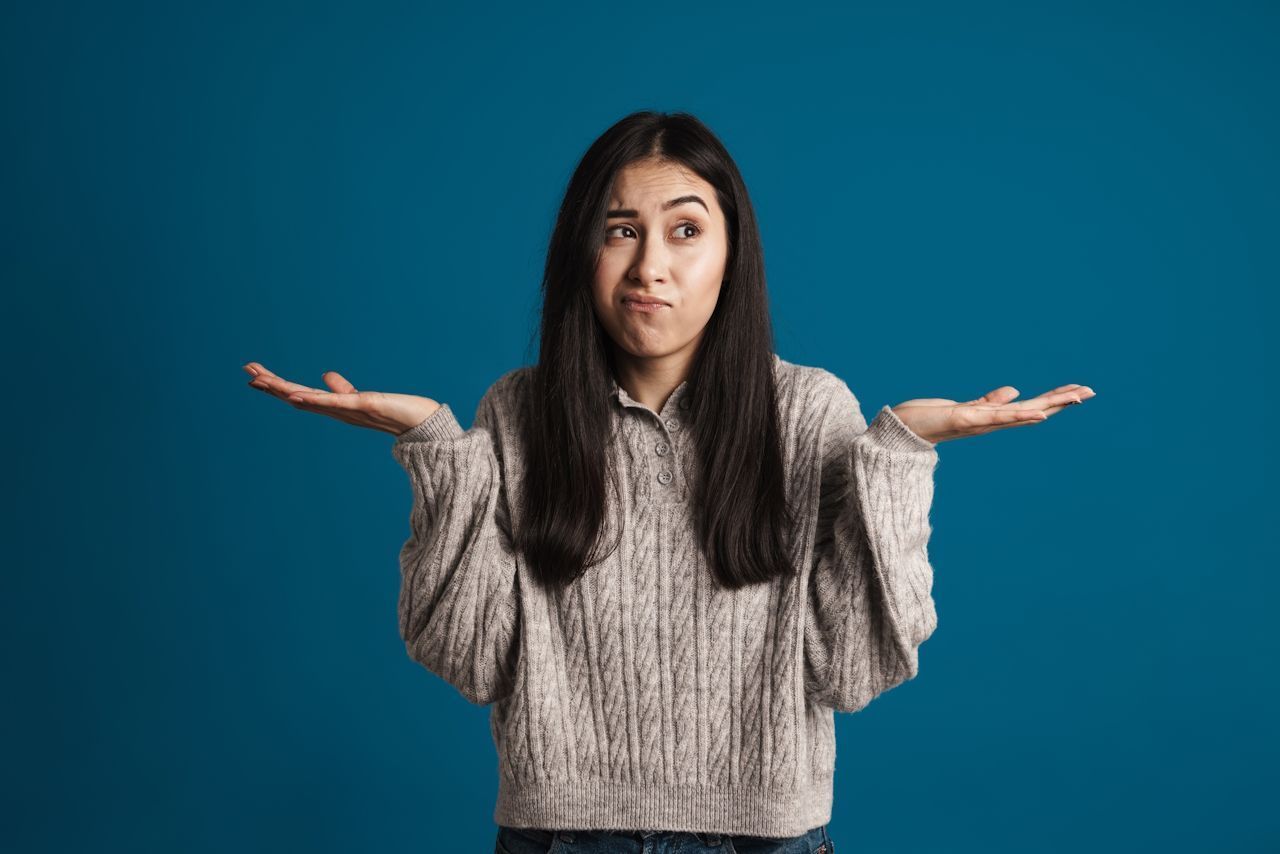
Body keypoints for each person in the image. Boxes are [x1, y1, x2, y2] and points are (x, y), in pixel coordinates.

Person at [243, 110, 1094, 854]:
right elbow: (467, 659)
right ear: (582, 252)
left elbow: (856, 669)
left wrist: (902, 454)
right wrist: (438, 450)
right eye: (620, 230)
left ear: (733, 253)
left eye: (686, 230)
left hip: (767, 838)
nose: (651, 264)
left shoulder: (807, 410)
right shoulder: (519, 412)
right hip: (557, 838)